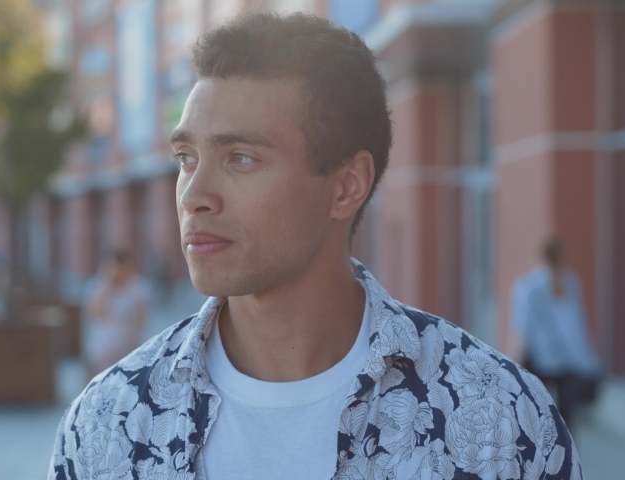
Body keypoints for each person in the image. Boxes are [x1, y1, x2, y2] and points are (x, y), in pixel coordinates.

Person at [50, 12, 581, 480]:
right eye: (186, 157)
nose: (194, 195)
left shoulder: (501, 423)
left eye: (240, 157)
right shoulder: (108, 425)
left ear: (347, 185)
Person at [511, 238, 602, 433]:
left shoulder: (527, 286)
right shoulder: (571, 283)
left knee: (537, 415)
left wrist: (513, 362)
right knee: (567, 420)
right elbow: (577, 324)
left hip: (541, 359)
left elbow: (522, 328)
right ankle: (567, 458)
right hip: (570, 359)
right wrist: (589, 358)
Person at [83, 248, 150, 377]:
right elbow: (95, 313)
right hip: (102, 351)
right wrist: (108, 286)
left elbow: (141, 322)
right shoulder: (96, 287)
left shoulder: (139, 288)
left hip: (129, 350)